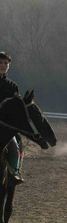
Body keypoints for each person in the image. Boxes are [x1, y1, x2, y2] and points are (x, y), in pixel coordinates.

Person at [0, 51, 25, 185]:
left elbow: (17, 109)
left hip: (5, 127)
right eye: (0, 63)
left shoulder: (12, 86)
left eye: (6, 63)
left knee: (15, 146)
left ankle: (14, 172)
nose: (3, 65)